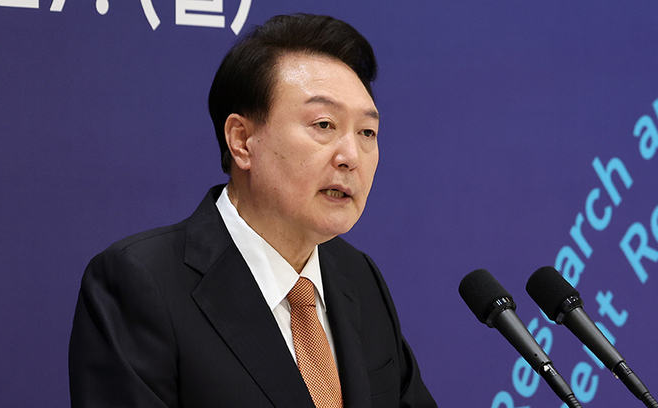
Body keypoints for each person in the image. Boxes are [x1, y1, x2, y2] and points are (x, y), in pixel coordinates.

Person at [69, 13, 437, 408]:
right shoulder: (142, 283)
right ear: (242, 141)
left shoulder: (359, 278)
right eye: (324, 124)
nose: (351, 156)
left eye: (366, 132)